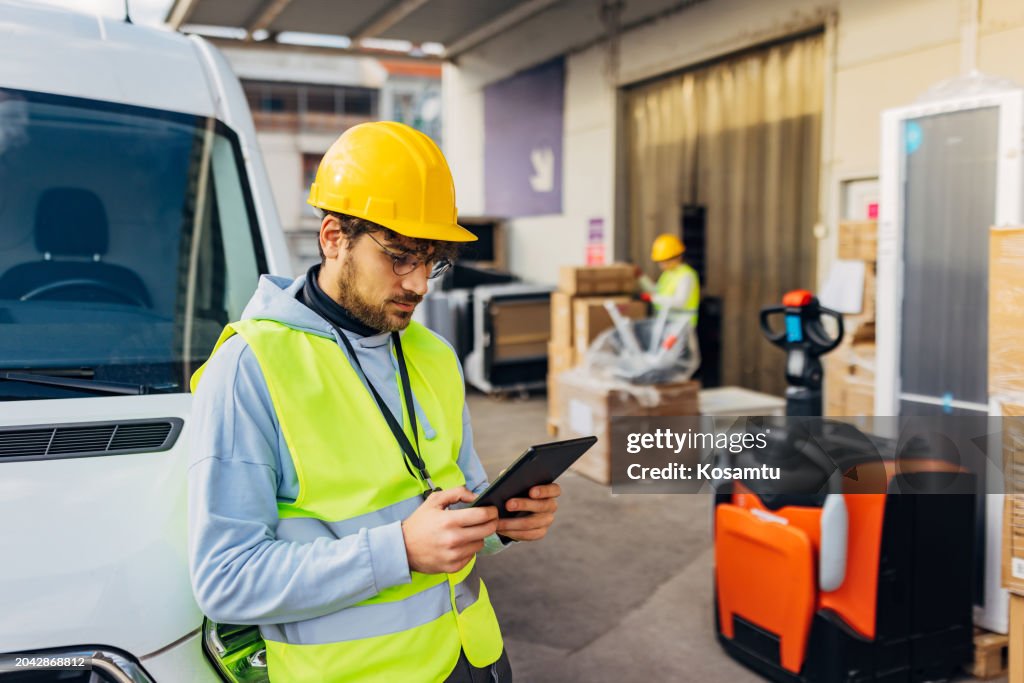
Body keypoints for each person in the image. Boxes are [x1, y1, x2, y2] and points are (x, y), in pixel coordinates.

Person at [188, 121, 561, 682]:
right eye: (400, 256)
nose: (419, 285)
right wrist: (398, 551)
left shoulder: (433, 354)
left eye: (431, 261)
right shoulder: (249, 369)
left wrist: (502, 520)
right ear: (334, 237)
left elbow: (460, 497)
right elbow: (226, 580)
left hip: (477, 659)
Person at [638, 233, 700, 324]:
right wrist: (641, 277)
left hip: (682, 326)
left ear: (678, 257)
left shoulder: (686, 275)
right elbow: (657, 291)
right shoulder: (668, 274)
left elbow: (679, 302)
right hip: (666, 323)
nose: (662, 265)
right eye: (660, 262)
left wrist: (653, 298)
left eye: (666, 261)